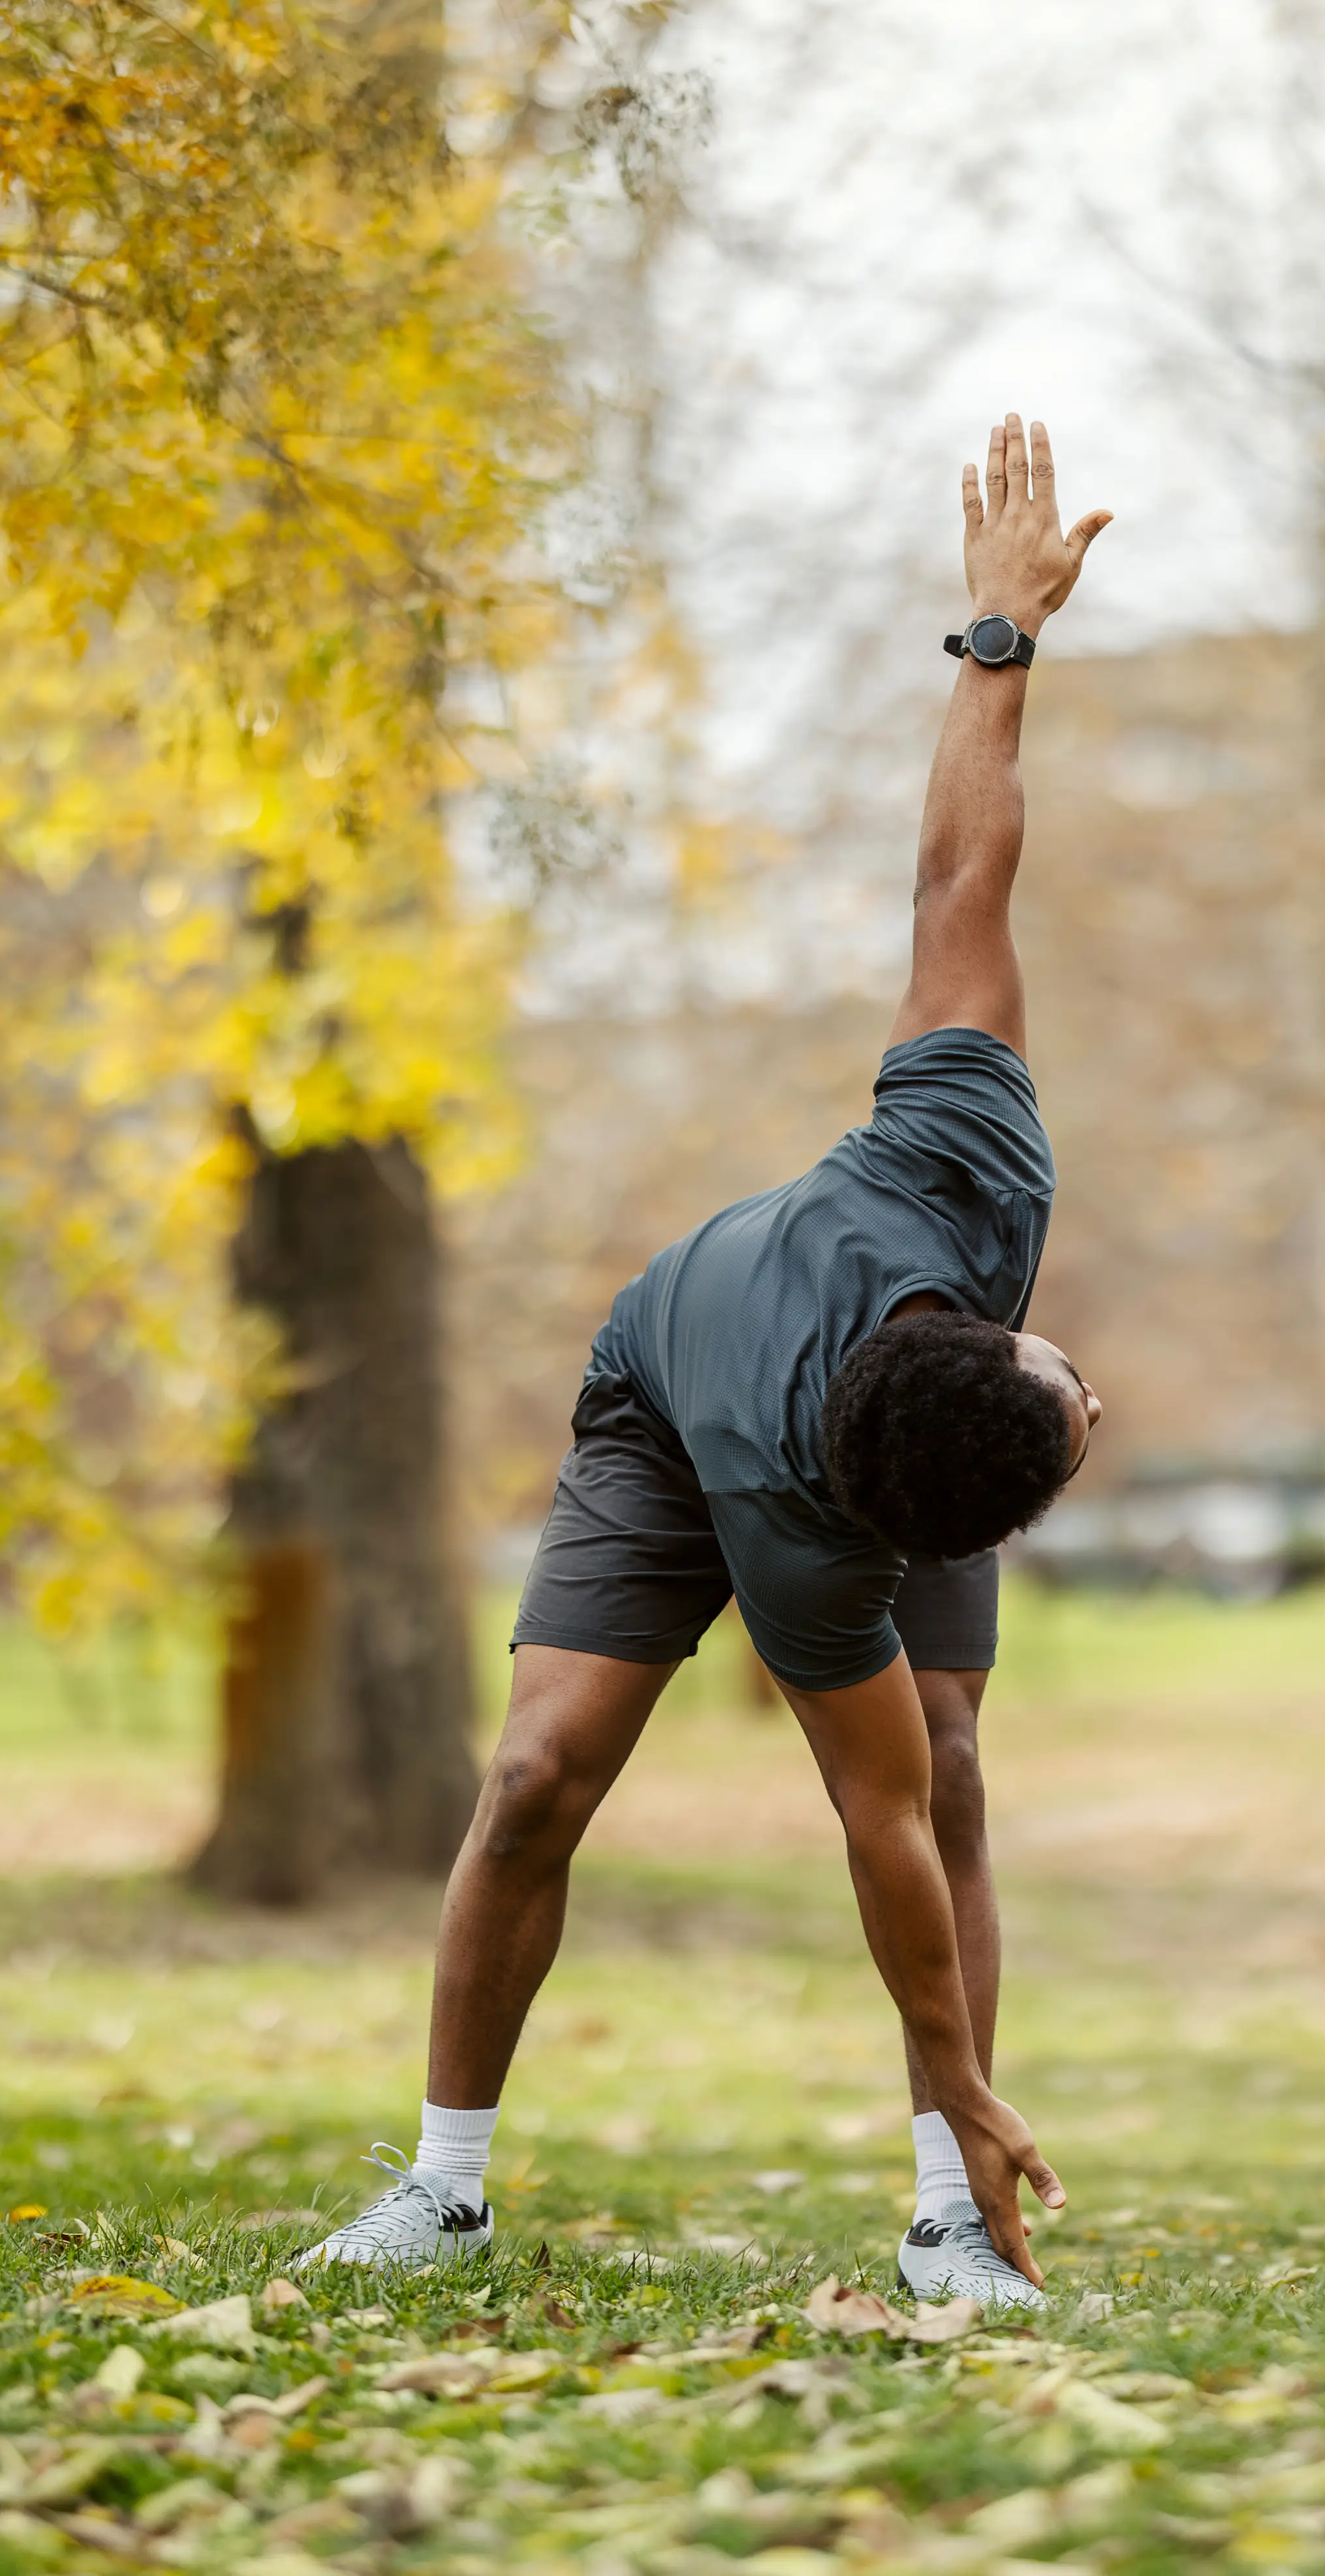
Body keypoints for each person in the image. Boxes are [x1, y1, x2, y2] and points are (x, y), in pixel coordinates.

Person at [295, 416, 1114, 2309]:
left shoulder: (964, 1189)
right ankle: (443, 2185)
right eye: (1084, 1406)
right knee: (537, 1776)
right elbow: (867, 1823)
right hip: (673, 1399)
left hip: (837, 1409)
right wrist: (993, 635)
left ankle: (946, 2213)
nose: (1101, 1399)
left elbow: (957, 894)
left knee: (956, 1759)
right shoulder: (822, 1499)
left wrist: (999, 644)